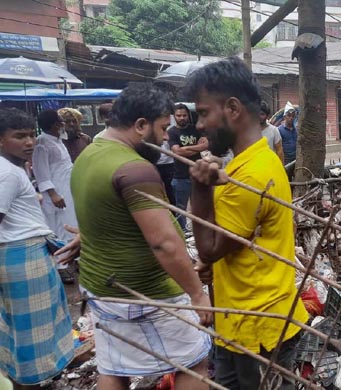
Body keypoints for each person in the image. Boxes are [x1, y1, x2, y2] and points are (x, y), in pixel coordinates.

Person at [70, 85, 212, 390]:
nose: (164, 138)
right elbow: (164, 243)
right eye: (162, 128)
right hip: (147, 292)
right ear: (140, 125)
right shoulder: (136, 169)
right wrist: (197, 294)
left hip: (101, 286)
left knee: (114, 366)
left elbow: (104, 212)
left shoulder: (88, 155)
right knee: (194, 361)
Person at [184, 57, 308, 389]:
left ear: (233, 109)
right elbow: (227, 247)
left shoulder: (251, 174)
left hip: (258, 326)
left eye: (204, 113)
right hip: (240, 321)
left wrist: (199, 186)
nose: (198, 125)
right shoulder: (253, 162)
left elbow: (210, 248)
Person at [0, 107, 75, 389]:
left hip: (23, 249)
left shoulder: (13, 168)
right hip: (21, 254)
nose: (29, 142)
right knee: (32, 326)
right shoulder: (7, 172)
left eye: (31, 135)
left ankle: (26, 379)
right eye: (19, 136)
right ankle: (31, 381)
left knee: (22, 325)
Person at [34, 109, 79, 284]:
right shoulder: (41, 143)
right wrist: (53, 194)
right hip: (56, 194)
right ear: (54, 124)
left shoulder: (58, 140)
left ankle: (73, 258)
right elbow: (41, 172)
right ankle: (61, 266)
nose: (64, 124)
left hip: (67, 190)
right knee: (58, 228)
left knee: (71, 224)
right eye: (61, 121)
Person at [168, 103, 208, 231]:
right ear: (174, 116)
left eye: (184, 115)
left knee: (200, 206)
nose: (182, 118)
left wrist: (186, 148)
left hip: (198, 174)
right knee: (181, 208)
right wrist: (197, 147)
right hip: (180, 176)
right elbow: (177, 152)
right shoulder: (171, 132)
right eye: (179, 115)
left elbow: (205, 145)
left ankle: (200, 231)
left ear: (188, 116)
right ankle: (183, 232)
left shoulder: (196, 129)